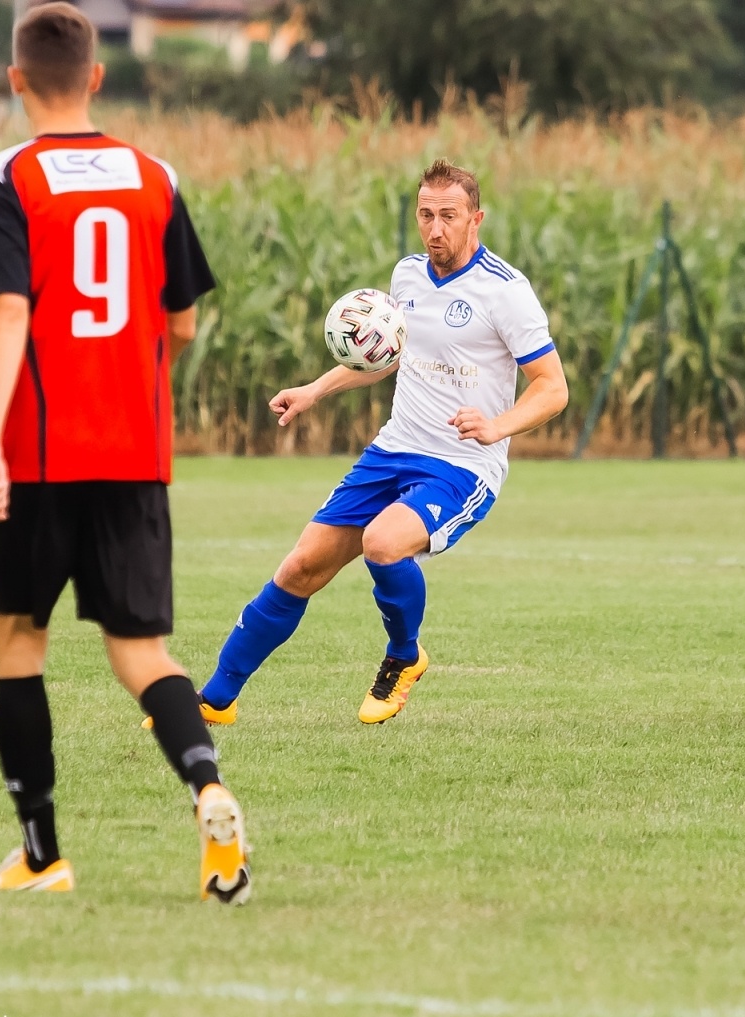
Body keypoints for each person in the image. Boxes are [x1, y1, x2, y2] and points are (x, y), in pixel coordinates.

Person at [0, 3, 249, 903]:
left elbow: (6, 308)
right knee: (143, 651)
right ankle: (208, 787)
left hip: (39, 454)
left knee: (22, 640)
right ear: (96, 76)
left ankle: (43, 855)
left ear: (17, 81)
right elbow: (186, 319)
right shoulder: (152, 177)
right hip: (134, 454)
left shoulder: (3, 176)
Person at [191, 160, 568, 726]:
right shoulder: (407, 276)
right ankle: (214, 701)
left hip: (462, 464)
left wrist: (498, 426)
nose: (435, 228)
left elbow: (553, 387)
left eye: (448, 215)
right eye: (425, 215)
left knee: (384, 542)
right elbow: (380, 359)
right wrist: (315, 391)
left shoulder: (505, 291)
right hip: (393, 450)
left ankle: (404, 656)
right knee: (299, 569)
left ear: (476, 218)